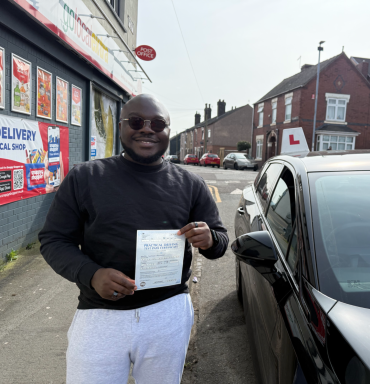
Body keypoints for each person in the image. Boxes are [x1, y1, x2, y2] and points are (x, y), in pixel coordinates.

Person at [39, 94, 228, 384]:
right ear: (122, 126)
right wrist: (91, 274)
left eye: (158, 123)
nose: (147, 129)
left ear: (168, 130)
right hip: (100, 316)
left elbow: (221, 242)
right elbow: (54, 240)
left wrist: (210, 238)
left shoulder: (191, 184)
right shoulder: (85, 177)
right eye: (137, 121)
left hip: (167, 312)